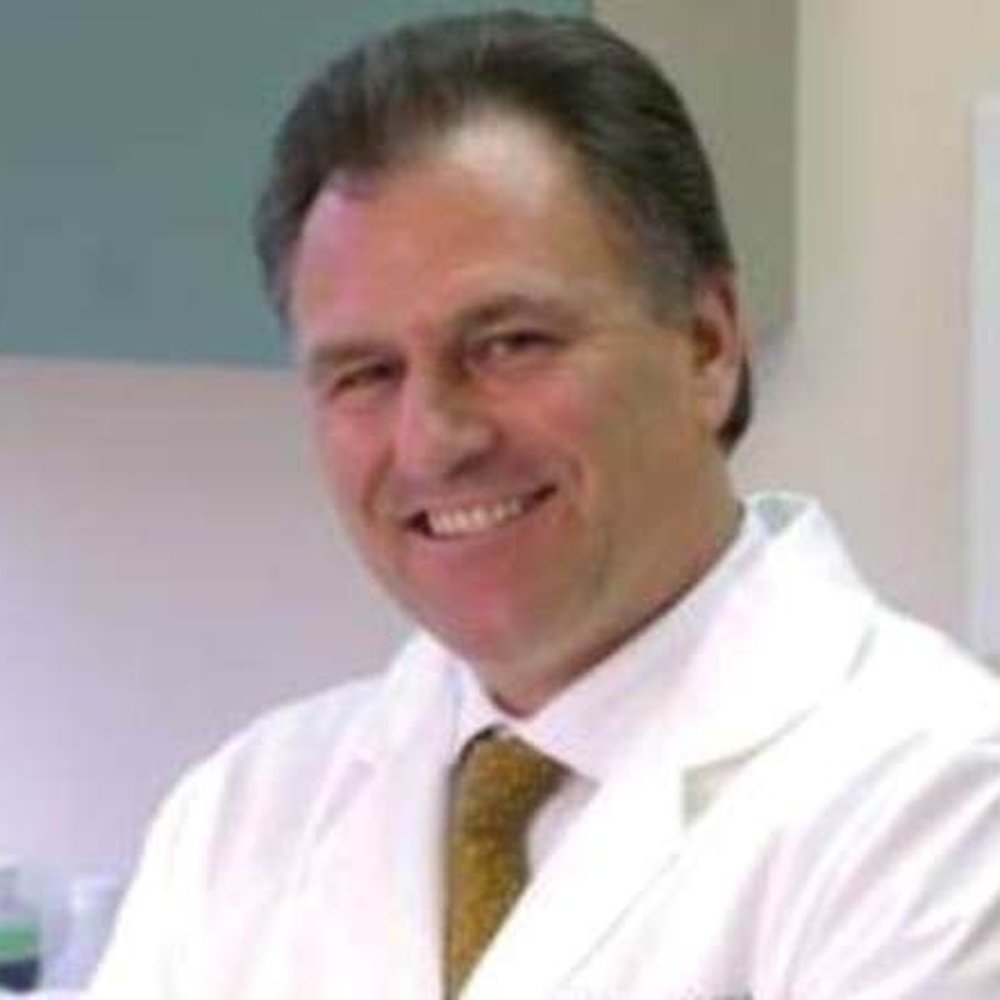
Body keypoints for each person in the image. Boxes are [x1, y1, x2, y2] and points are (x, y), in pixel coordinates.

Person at [88, 11, 1000, 999]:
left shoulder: (940, 799)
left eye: (510, 343)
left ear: (706, 344)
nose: (433, 439)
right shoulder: (238, 817)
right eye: (365, 373)